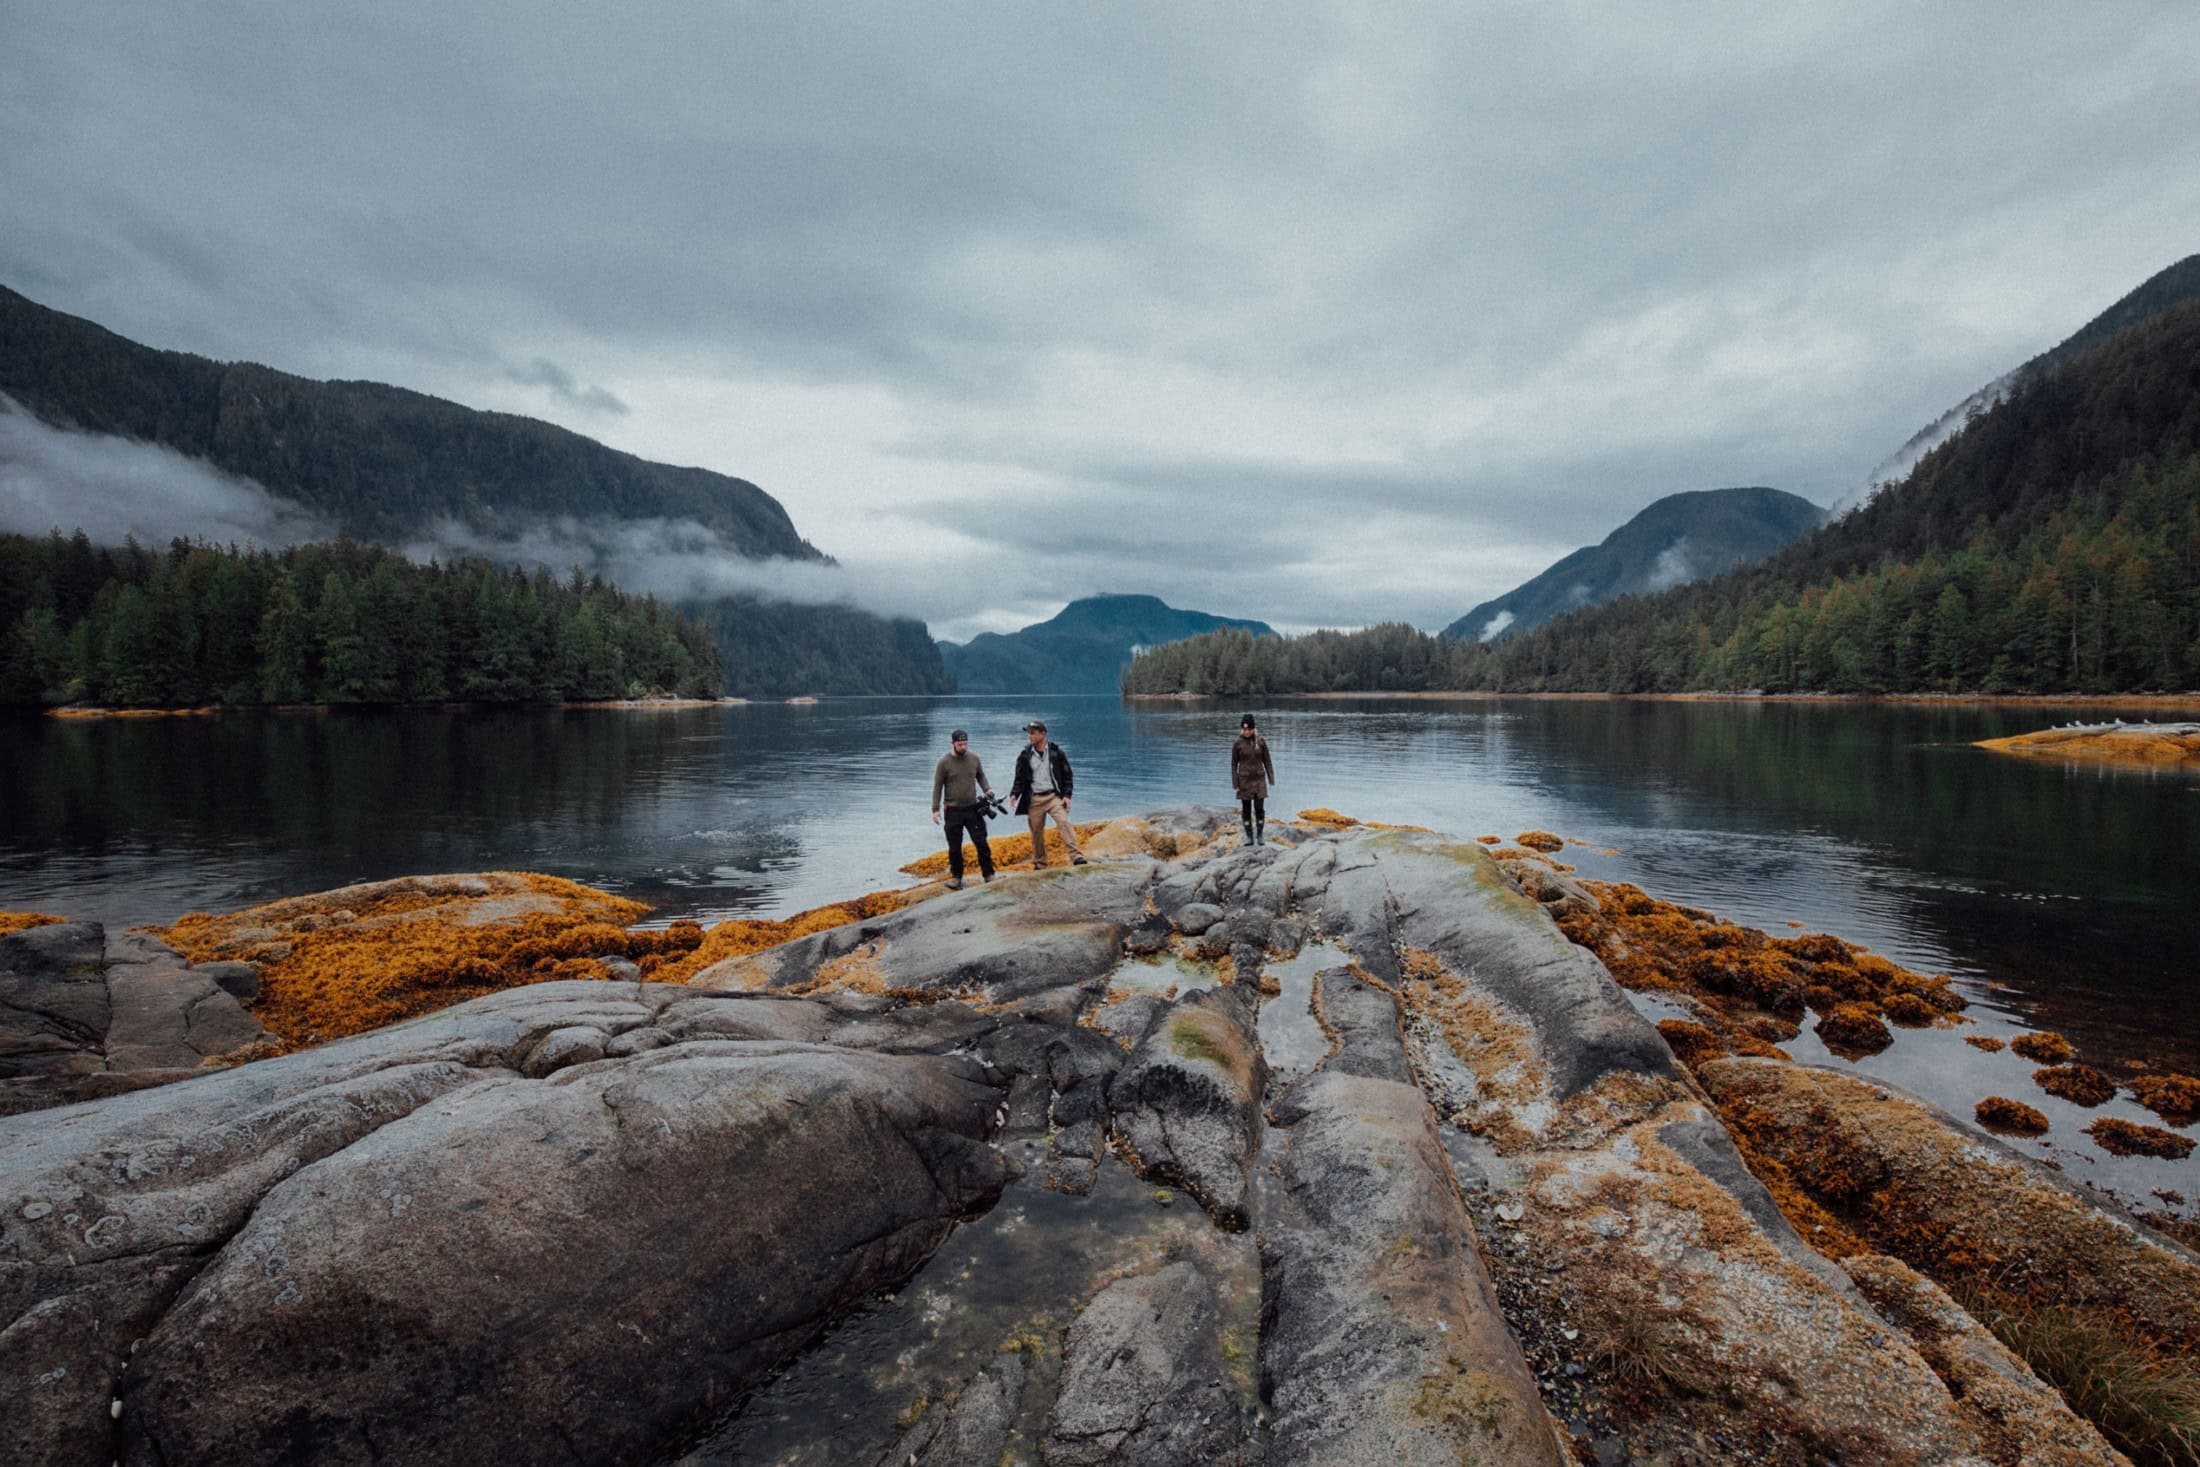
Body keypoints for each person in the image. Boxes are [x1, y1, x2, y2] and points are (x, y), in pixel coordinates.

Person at [1010, 720, 1085, 868]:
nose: (1030, 736)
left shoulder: (1057, 753)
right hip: (1035, 799)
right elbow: (1019, 778)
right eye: (1029, 733)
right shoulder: (1025, 755)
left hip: (1053, 797)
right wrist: (1014, 795)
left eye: (1033, 733)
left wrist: (1067, 796)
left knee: (1064, 822)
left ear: (1043, 734)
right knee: (1036, 832)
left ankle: (1077, 857)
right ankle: (1040, 863)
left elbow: (1068, 776)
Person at [929, 728, 996, 889]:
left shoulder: (973, 758)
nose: (963, 747)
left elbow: (980, 775)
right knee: (954, 846)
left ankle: (989, 874)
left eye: (965, 744)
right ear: (953, 744)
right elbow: (937, 786)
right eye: (960, 744)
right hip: (953, 810)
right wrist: (935, 809)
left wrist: (987, 789)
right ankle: (956, 878)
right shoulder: (943, 762)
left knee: (981, 842)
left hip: (973, 809)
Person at [1232, 713, 1275, 845]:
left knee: (1259, 808)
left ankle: (1260, 835)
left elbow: (1267, 761)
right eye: (1244, 729)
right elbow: (1234, 764)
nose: (1245, 732)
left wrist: (1271, 778)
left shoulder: (1261, 741)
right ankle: (1249, 837)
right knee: (1246, 809)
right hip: (1243, 781)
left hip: (1259, 780)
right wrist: (1235, 783)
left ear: (1252, 729)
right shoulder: (1237, 743)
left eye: (1248, 729)